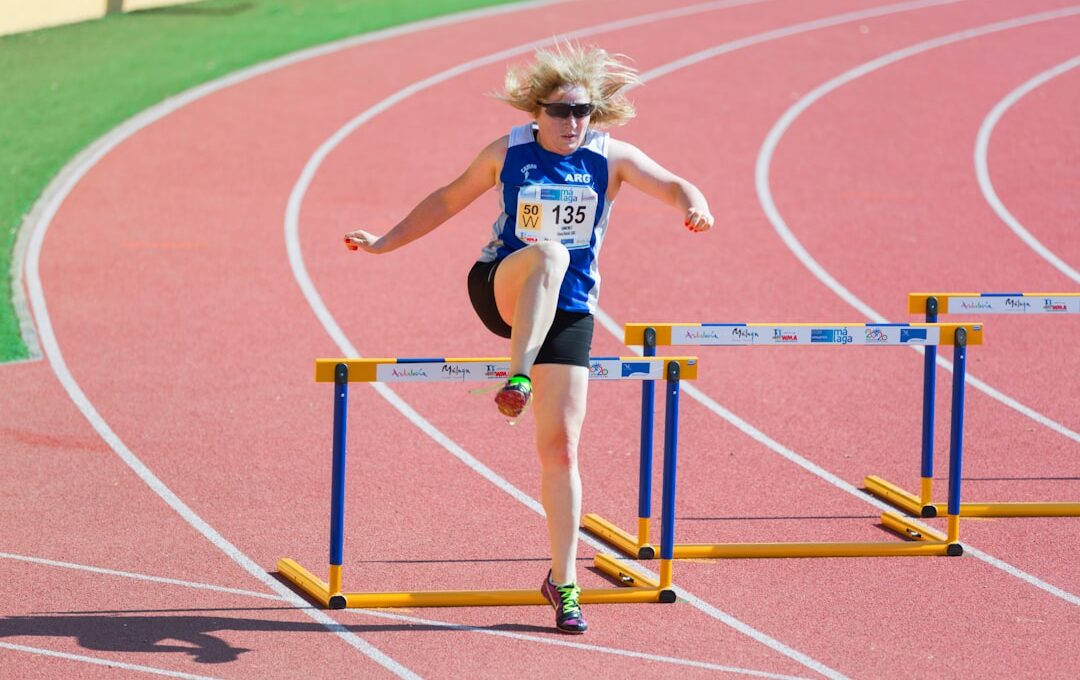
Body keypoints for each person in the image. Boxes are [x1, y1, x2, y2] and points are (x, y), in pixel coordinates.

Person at [344, 43, 712, 635]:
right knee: (549, 253)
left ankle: (563, 582)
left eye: (582, 111)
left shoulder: (610, 157)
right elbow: (447, 198)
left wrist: (694, 204)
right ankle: (518, 376)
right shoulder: (507, 153)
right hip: (502, 288)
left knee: (561, 449)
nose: (572, 123)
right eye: (560, 112)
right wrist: (385, 242)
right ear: (536, 113)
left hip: (568, 312)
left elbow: (671, 183)